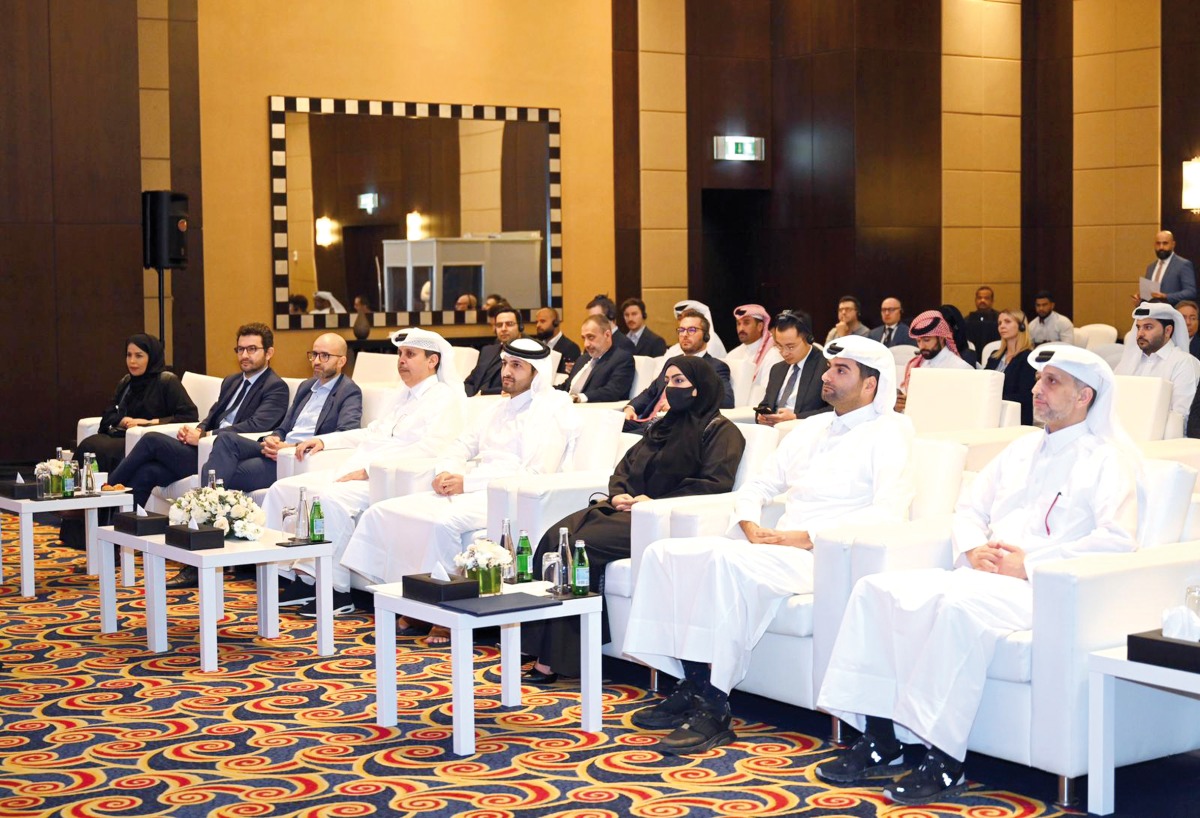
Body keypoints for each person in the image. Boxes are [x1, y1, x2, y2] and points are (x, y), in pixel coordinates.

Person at [816, 345, 1138, 805]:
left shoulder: (1107, 460)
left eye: (1052, 382)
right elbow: (969, 508)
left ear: (1085, 396)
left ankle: (944, 761)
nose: (1036, 390)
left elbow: (1117, 540)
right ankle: (880, 738)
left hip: (1042, 588)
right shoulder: (1022, 447)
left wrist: (1027, 564)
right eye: (1038, 380)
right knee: (875, 589)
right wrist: (971, 548)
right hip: (983, 573)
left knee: (955, 609)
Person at [624, 336, 915, 754]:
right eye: (830, 368)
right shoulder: (811, 428)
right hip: (776, 546)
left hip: (827, 555)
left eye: (841, 370)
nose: (828, 376)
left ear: (871, 385)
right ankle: (691, 679)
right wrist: (748, 521)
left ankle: (714, 707)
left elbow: (888, 512)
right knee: (666, 554)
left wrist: (800, 538)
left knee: (725, 566)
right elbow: (760, 484)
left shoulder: (890, 433)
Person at [522, 356, 746, 684]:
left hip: (661, 520)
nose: (671, 388)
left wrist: (654, 503)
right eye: (668, 380)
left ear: (700, 389)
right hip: (625, 511)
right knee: (555, 537)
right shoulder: (664, 425)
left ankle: (555, 659)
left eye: (680, 381)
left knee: (581, 548)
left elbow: (714, 485)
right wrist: (619, 493)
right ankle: (539, 645)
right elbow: (625, 467)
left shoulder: (721, 432)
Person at [342, 338, 575, 644]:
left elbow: (534, 473)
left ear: (537, 373)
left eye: (517, 366)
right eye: (505, 363)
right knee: (388, 510)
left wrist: (469, 483)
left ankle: (444, 613)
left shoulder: (550, 412)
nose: (507, 371)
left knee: (444, 522)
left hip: (511, 495)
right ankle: (414, 599)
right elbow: (460, 446)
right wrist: (445, 472)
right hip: (474, 486)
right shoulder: (497, 408)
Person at [263, 328, 465, 616]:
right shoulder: (405, 396)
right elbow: (370, 433)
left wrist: (370, 470)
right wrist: (324, 440)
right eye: (400, 354)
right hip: (362, 467)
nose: (401, 361)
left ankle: (335, 590)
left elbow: (432, 449)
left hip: (395, 479)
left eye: (410, 355)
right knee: (284, 488)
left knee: (329, 499)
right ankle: (297, 576)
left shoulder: (444, 398)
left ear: (433, 361)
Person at [109, 323, 290, 587]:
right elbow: (211, 415)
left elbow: (257, 425)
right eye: (240, 349)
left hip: (229, 453)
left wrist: (206, 436)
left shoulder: (276, 387)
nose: (245, 355)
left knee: (150, 440)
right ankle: (121, 536)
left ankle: (103, 497)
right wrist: (197, 430)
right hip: (204, 450)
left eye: (252, 349)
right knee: (148, 472)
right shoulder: (231, 381)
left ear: (269, 352)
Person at [202, 334, 362, 494]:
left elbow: (346, 434)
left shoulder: (348, 391)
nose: (317, 361)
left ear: (341, 361)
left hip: (298, 458)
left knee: (218, 471)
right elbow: (284, 427)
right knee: (226, 439)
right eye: (314, 355)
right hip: (278, 450)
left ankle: (204, 508)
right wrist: (274, 438)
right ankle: (207, 507)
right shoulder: (306, 386)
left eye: (325, 356)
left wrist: (289, 447)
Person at [76, 334, 198, 472]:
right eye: (129, 355)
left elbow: (189, 416)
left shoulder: (167, 381)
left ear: (151, 357)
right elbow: (108, 413)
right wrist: (124, 420)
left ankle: (111, 489)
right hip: (122, 435)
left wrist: (148, 422)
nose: (132, 361)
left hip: (146, 440)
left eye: (139, 356)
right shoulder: (127, 381)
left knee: (109, 451)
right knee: (89, 445)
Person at [623, 311, 734, 432]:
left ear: (706, 335)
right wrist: (631, 408)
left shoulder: (715, 366)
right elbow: (651, 392)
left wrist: (681, 402)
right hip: (647, 421)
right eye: (681, 330)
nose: (685, 335)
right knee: (607, 427)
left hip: (673, 425)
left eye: (692, 330)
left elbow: (726, 400)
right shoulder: (673, 362)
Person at [1115, 301, 1197, 418]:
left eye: (1148, 327)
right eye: (1138, 327)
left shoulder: (1184, 363)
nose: (1140, 334)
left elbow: (1180, 416)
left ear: (1168, 331)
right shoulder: (1130, 362)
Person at [755, 311, 831, 426]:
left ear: (808, 339)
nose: (784, 353)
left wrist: (796, 418)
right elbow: (765, 404)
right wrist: (762, 416)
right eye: (779, 346)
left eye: (790, 346)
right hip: (773, 432)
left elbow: (834, 410)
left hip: (805, 432)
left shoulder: (826, 367)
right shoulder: (777, 369)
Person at [897, 309, 973, 411]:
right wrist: (899, 405)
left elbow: (959, 407)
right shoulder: (915, 365)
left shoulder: (960, 368)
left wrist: (916, 403)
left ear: (941, 338)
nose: (922, 346)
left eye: (926, 340)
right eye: (918, 341)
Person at [557, 315, 636, 403]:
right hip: (567, 408)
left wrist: (578, 398)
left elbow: (612, 391)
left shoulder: (622, 358)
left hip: (593, 411)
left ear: (607, 335)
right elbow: (566, 387)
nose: (586, 344)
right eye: (584, 338)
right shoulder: (582, 359)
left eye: (591, 337)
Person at [984, 309, 1036, 425]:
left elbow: (1025, 396)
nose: (1002, 326)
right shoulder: (994, 356)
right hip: (990, 413)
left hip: (1015, 418)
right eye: (1000, 323)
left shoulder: (1028, 358)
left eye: (1007, 322)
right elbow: (984, 383)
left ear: (1021, 326)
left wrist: (994, 399)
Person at [724, 304, 783, 406]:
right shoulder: (732, 354)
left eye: (746, 323)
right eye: (738, 323)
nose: (741, 328)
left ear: (760, 326)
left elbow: (767, 392)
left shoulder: (772, 354)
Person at [463, 303, 524, 396]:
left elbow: (521, 386)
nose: (503, 329)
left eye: (509, 324)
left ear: (520, 327)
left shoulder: (527, 353)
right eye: (499, 325)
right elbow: (470, 382)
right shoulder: (487, 351)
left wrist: (482, 393)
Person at [1136, 230, 1197, 305]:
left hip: (1172, 314)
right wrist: (1140, 301)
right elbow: (1148, 296)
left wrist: (1167, 296)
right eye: (1158, 243)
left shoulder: (1183, 265)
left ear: (1173, 244)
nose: (1161, 247)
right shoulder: (1150, 268)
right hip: (1153, 315)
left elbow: (1191, 292)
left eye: (1165, 243)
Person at [533, 306, 581, 374]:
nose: (538, 325)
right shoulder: (536, 346)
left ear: (555, 323)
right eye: (536, 322)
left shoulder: (571, 348)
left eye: (542, 321)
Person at [964, 286, 1001, 353]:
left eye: (986, 298)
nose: (982, 300)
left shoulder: (1000, 318)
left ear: (992, 301)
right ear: (975, 300)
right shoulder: (967, 320)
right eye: (979, 298)